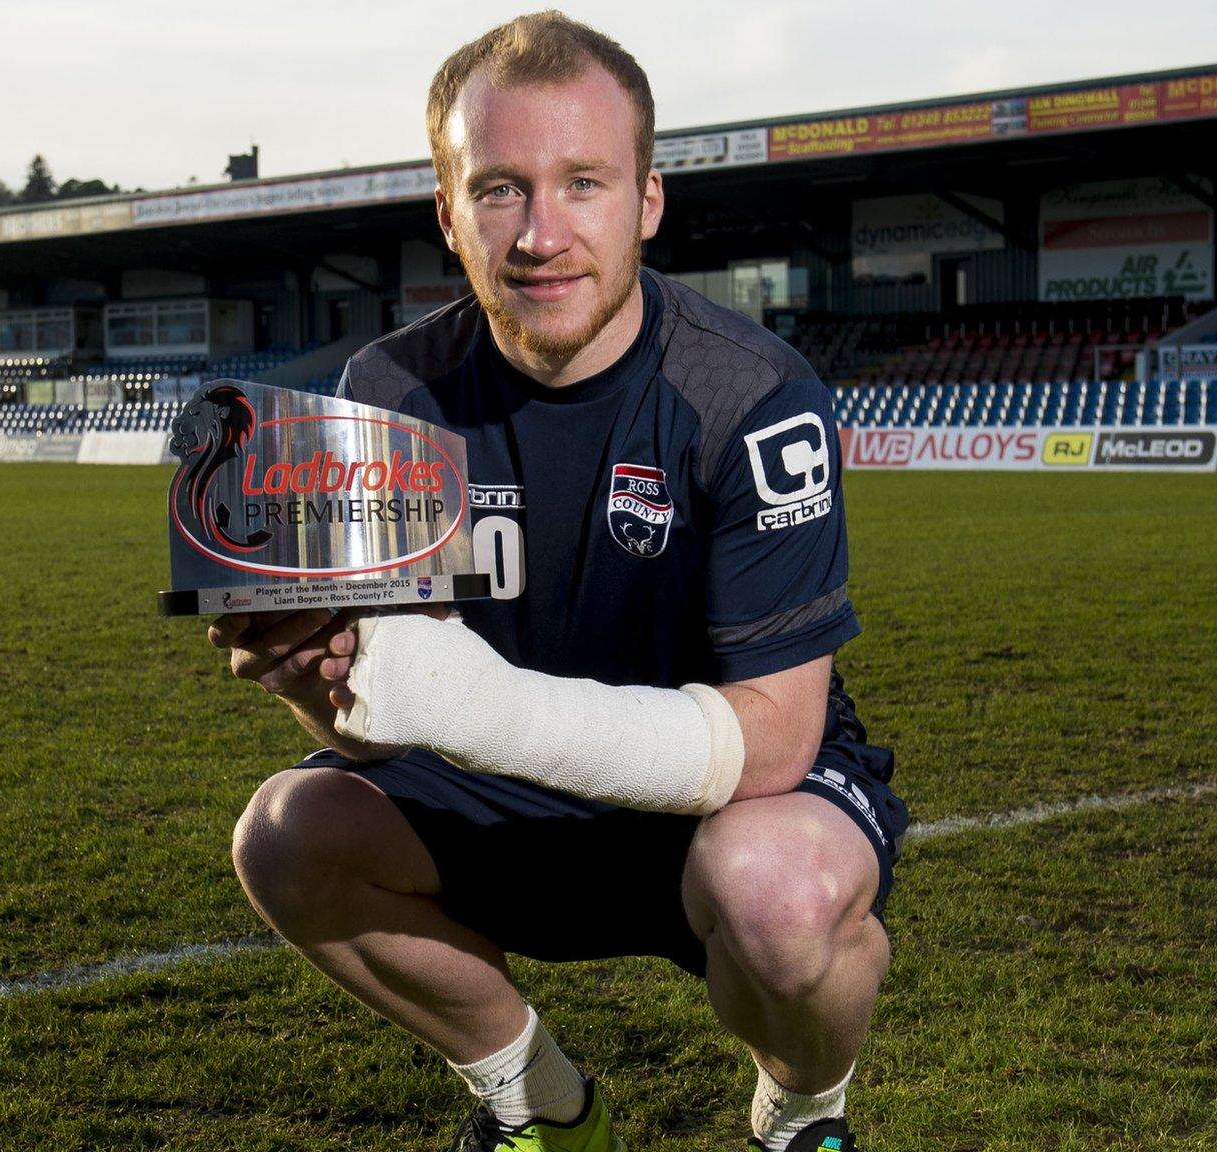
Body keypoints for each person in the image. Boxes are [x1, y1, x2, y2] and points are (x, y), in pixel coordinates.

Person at [210, 12, 907, 1151]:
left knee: (778, 897)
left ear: (645, 201)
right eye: (497, 189)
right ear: (447, 211)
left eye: (581, 182)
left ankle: (800, 1113)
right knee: (286, 834)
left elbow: (775, 739)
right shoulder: (384, 396)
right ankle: (538, 1102)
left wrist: (457, 700)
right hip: (487, 792)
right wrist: (311, 672)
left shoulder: (749, 392)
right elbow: (377, 720)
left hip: (728, 793)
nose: (539, 233)